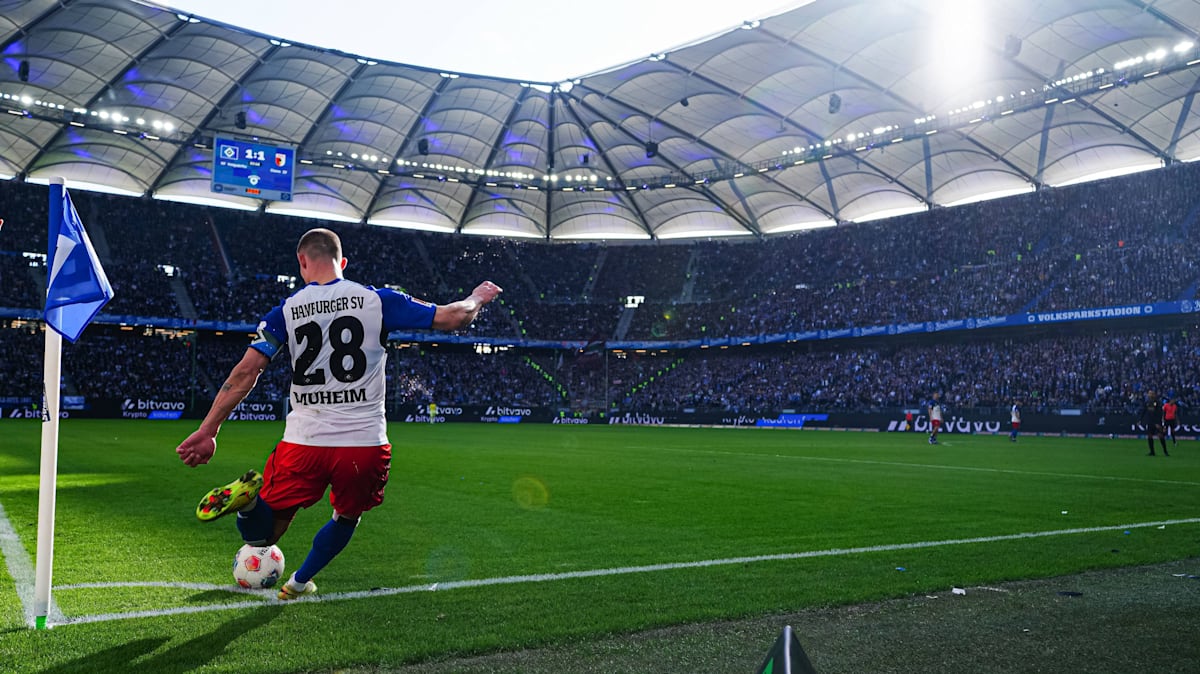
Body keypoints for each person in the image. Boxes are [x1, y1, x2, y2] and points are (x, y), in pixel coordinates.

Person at [175, 227, 502, 600]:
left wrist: (208, 430)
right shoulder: (377, 300)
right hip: (363, 444)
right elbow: (454, 317)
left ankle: (248, 502)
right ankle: (298, 582)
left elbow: (246, 372)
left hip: (303, 442)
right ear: (342, 262)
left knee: (262, 536)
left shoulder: (286, 310)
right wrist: (477, 297)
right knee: (347, 517)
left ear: (302, 261)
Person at [1140, 390, 1168, 457]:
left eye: (1152, 393)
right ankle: (1152, 452)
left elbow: (1159, 413)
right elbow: (1144, 411)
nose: (1150, 395)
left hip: (1157, 422)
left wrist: (1158, 423)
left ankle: (1165, 451)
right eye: (1149, 393)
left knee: (1160, 436)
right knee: (1150, 436)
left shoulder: (1158, 402)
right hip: (1150, 422)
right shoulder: (1147, 402)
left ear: (1154, 395)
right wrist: (1140, 419)